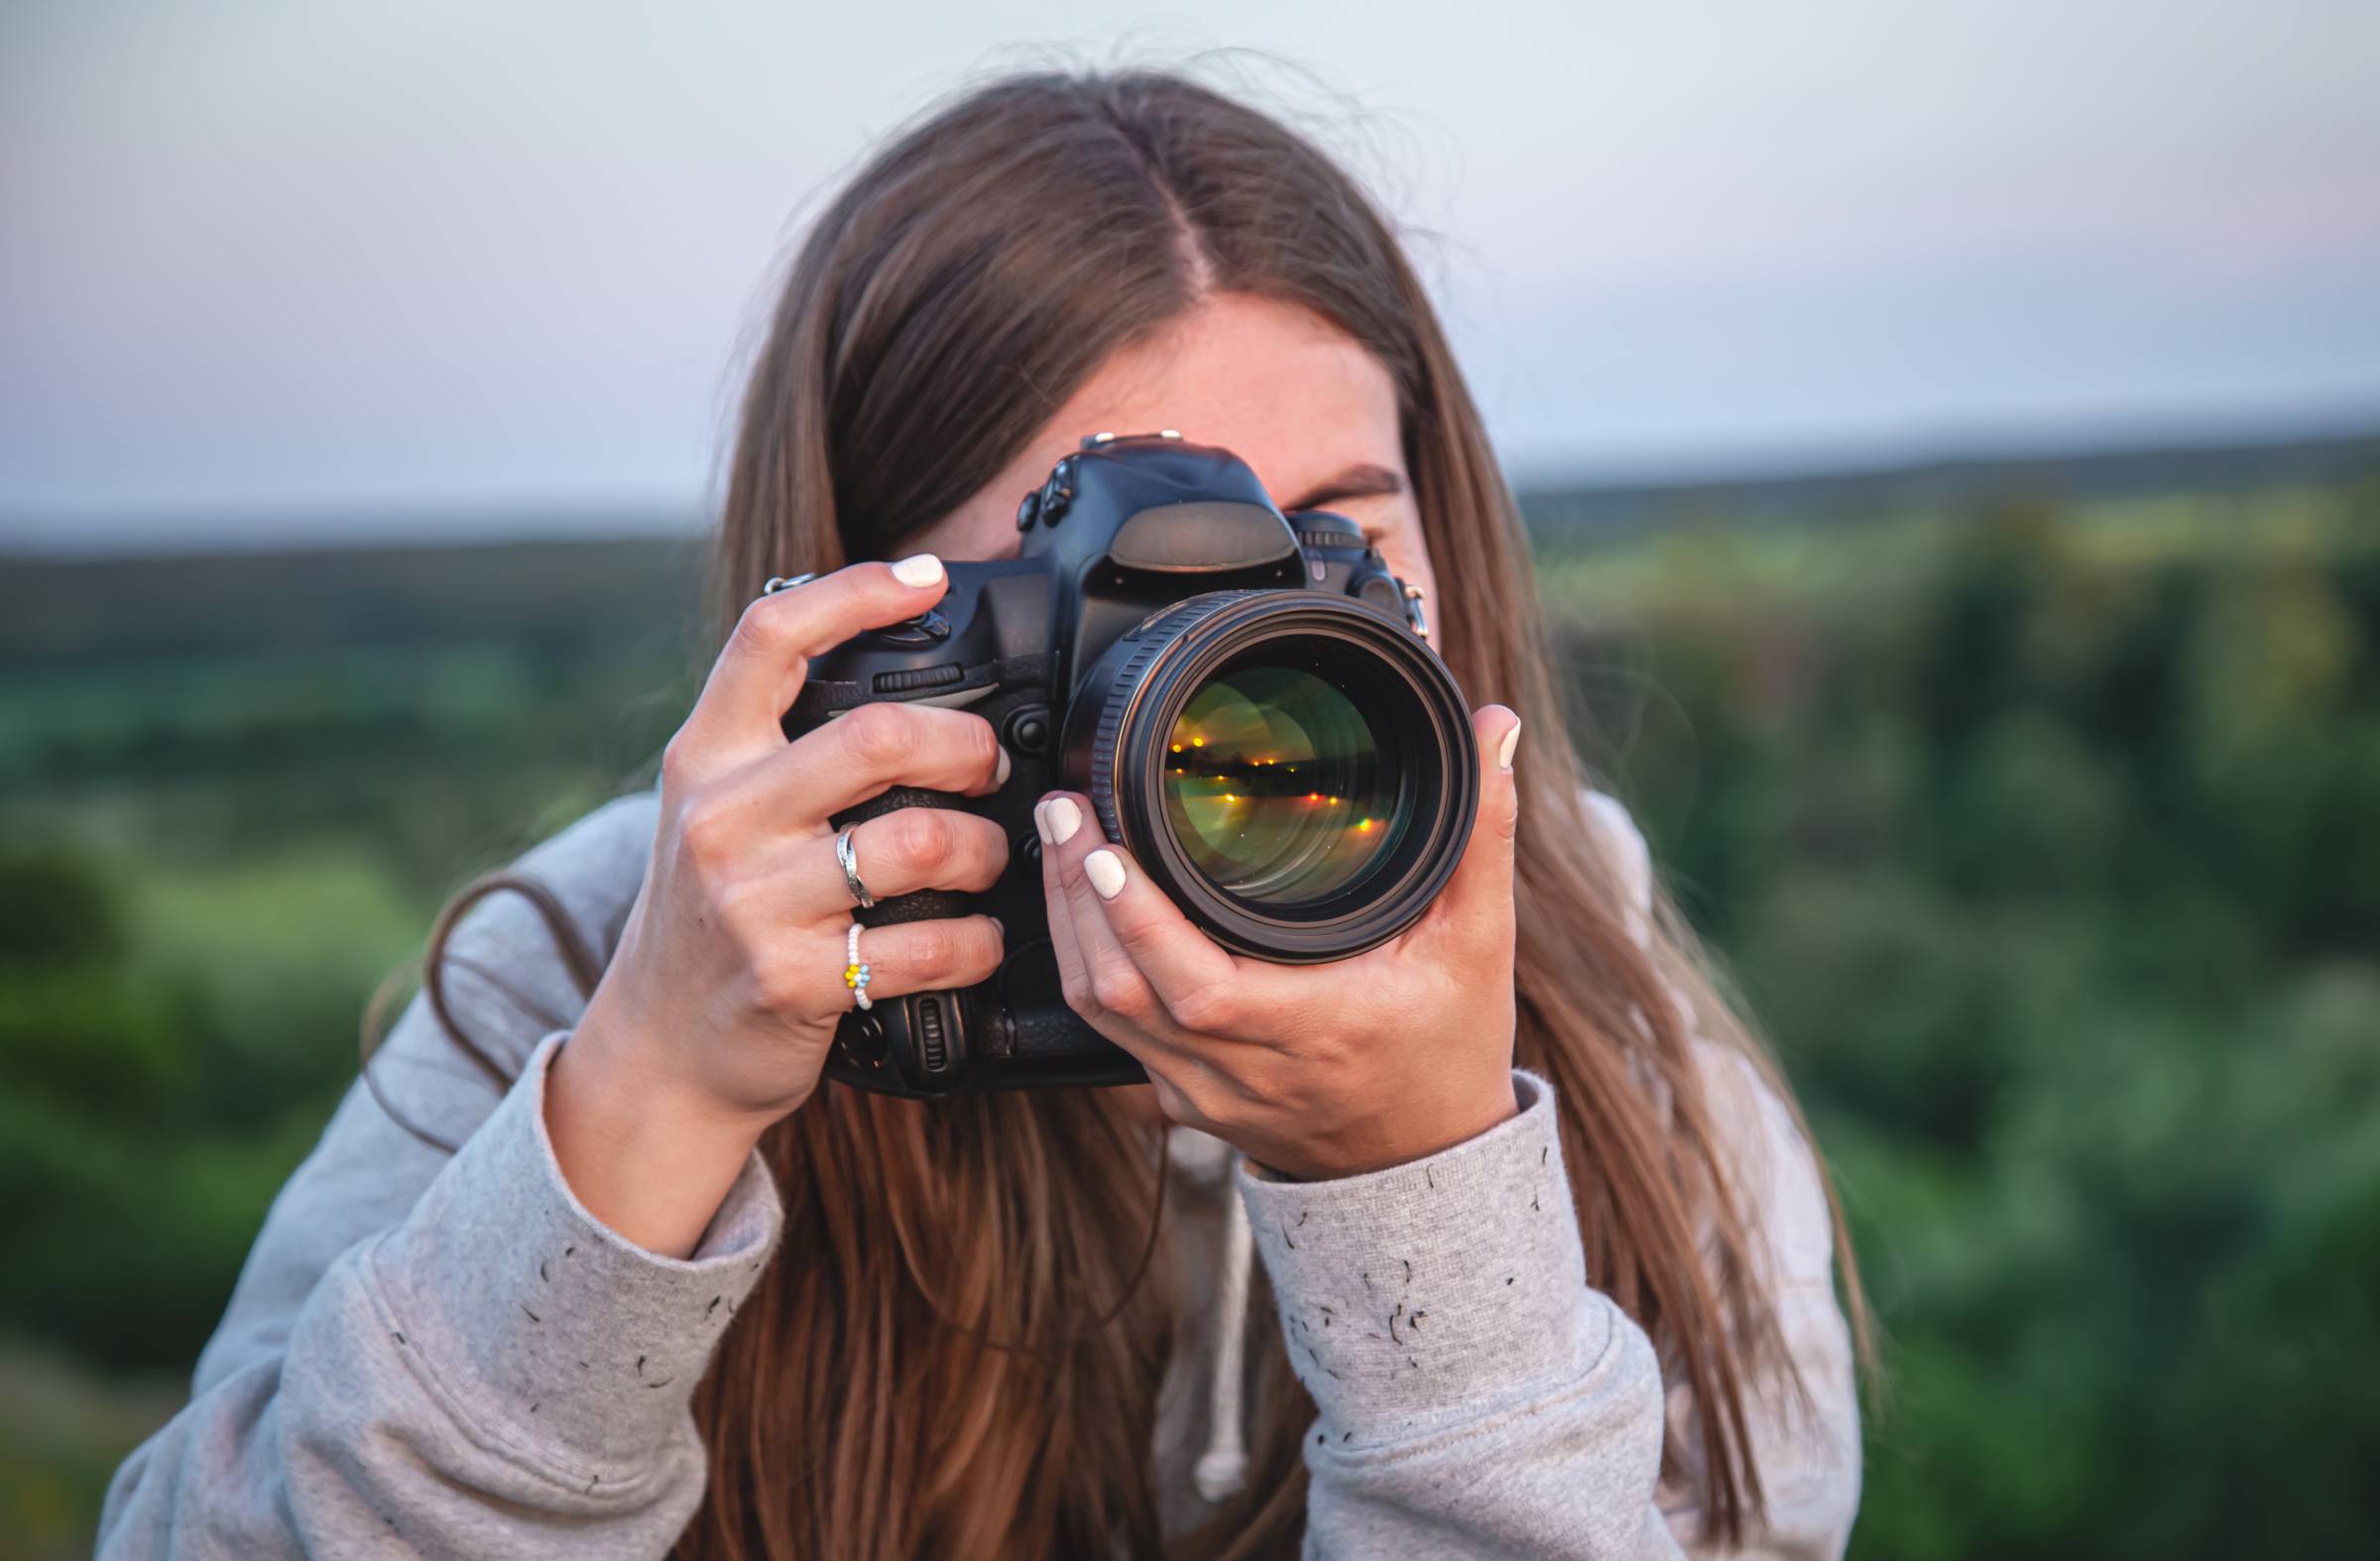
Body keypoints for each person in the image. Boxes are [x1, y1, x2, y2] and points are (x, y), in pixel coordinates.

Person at [99, 68, 1868, 1560]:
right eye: (1089, 591)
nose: (1242, 661)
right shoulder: (590, 966)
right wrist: (648, 1104)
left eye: (1333, 543)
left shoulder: (1615, 1021)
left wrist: (1425, 1191)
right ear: (867, 625)